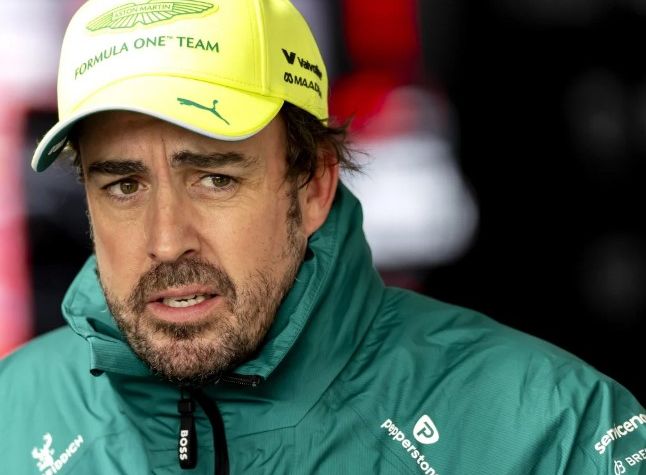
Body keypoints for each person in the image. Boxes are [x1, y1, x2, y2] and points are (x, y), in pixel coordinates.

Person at [1, 0, 644, 473]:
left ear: (312, 186)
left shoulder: (552, 431)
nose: (167, 242)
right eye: (123, 185)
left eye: (216, 179)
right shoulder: (14, 414)